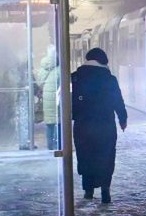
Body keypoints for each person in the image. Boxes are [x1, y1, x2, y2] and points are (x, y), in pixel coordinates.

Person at [71, 48, 127, 203]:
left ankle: (88, 191)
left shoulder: (75, 77)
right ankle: (105, 190)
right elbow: (118, 101)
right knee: (106, 156)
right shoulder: (110, 79)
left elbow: (70, 102)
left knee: (85, 155)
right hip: (105, 125)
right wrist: (123, 119)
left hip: (83, 126)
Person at [36, 46, 62, 149]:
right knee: (58, 120)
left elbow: (39, 82)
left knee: (49, 122)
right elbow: (63, 82)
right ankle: (58, 144)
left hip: (47, 96)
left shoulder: (43, 67)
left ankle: (50, 145)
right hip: (57, 96)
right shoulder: (60, 68)